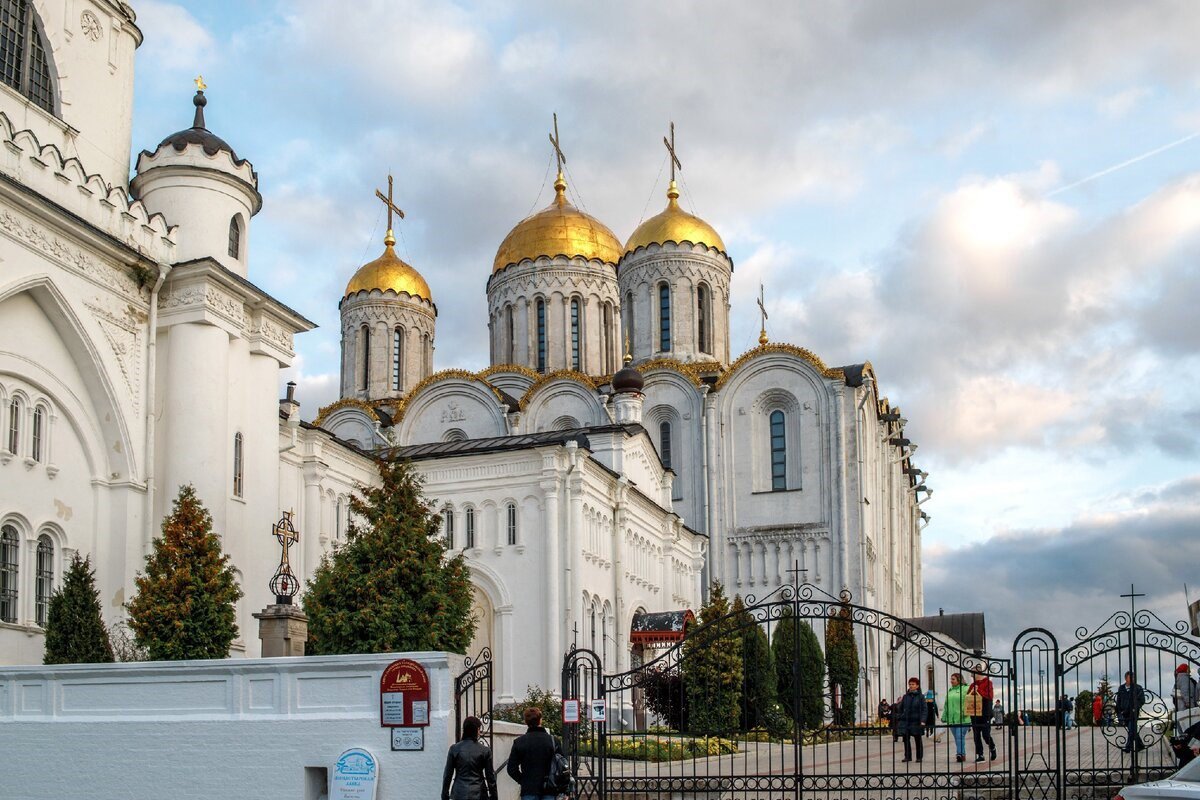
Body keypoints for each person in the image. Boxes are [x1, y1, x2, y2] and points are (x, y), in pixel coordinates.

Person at [507, 707, 560, 800]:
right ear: (540, 720)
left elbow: (511, 768)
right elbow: (562, 765)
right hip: (550, 787)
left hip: (529, 789)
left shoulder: (519, 742)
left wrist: (523, 780)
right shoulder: (553, 741)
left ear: (526, 722)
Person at [442, 715, 497, 800]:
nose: (479, 732)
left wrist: (444, 794)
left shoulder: (454, 749)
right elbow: (490, 777)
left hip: (459, 793)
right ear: (476, 730)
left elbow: (447, 775)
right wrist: (494, 796)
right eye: (479, 729)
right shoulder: (485, 750)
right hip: (479, 793)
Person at [969, 670, 997, 762]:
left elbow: (989, 696)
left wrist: (978, 690)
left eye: (972, 672)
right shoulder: (972, 685)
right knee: (976, 735)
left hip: (985, 713)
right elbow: (968, 697)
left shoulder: (988, 682)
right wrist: (972, 691)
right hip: (974, 713)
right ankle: (980, 755)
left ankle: (992, 747)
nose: (970, 674)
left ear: (978, 673)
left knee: (985, 735)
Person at [896, 677, 926, 763]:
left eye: (913, 684)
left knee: (917, 739)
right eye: (910, 684)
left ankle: (919, 757)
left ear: (917, 686)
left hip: (916, 721)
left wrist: (923, 720)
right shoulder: (905, 696)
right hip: (906, 721)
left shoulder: (921, 697)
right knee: (906, 739)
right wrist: (900, 715)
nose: (911, 686)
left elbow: (924, 709)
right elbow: (900, 708)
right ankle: (907, 756)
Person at [942, 672, 970, 763]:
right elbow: (946, 705)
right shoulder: (950, 691)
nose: (951, 681)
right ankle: (963, 754)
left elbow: (970, 701)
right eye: (951, 679)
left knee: (959, 736)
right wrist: (944, 716)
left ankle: (960, 754)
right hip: (952, 719)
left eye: (953, 679)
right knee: (957, 738)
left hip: (963, 718)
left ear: (959, 680)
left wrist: (965, 712)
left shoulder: (966, 688)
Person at [1116, 671, 1146, 754]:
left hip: (1133, 713)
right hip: (1124, 713)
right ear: (1126, 678)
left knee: (1131, 729)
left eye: (1133, 678)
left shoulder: (1138, 688)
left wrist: (1135, 708)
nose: (1132, 679)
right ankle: (1140, 745)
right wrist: (1119, 711)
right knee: (1132, 730)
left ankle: (1128, 747)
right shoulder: (1121, 688)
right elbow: (1118, 700)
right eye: (1130, 678)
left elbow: (1142, 700)